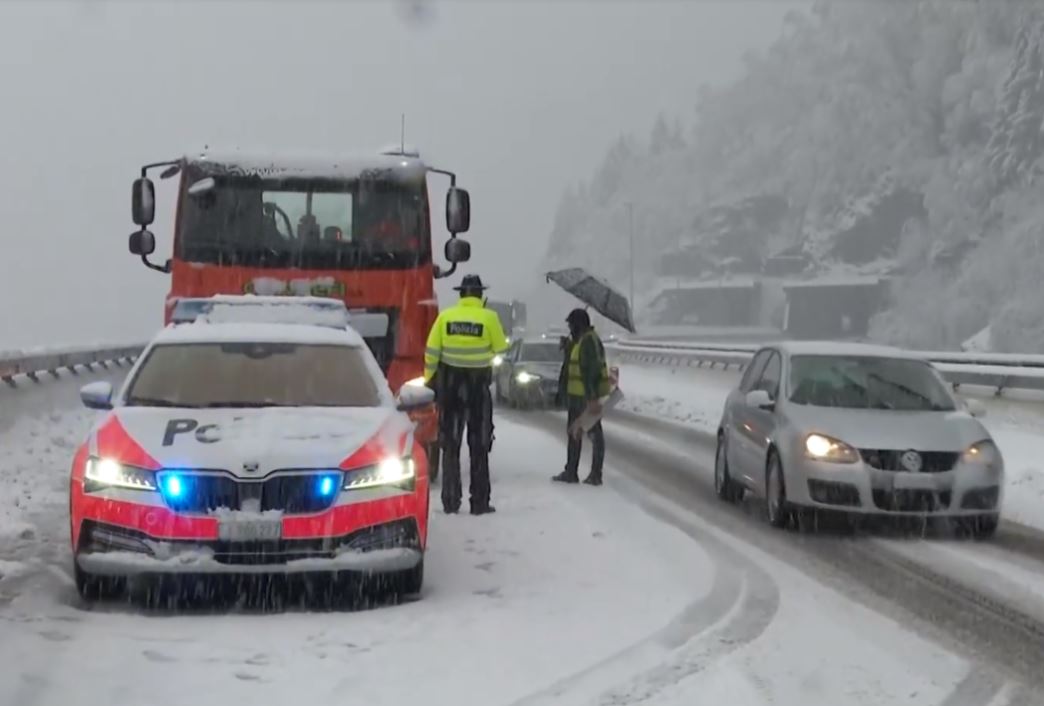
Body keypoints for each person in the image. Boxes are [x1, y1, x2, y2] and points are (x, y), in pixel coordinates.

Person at [423, 274, 508, 515]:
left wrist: (431, 381)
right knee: (479, 446)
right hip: (478, 389)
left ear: (461, 294)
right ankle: (479, 502)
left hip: (450, 389)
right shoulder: (489, 318)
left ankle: (451, 500)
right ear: (480, 295)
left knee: (450, 446)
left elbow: (431, 353)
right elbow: (501, 349)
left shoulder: (445, 317)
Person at [553, 308, 610, 486]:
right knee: (574, 434)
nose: (569, 328)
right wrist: (568, 347)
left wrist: (592, 398)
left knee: (595, 436)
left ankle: (595, 474)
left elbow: (591, 370)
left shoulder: (589, 342)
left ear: (578, 324)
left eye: (571, 324)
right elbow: (574, 364)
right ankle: (571, 471)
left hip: (586, 398)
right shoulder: (581, 341)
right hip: (576, 397)